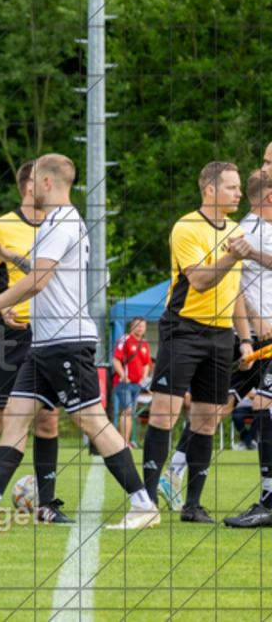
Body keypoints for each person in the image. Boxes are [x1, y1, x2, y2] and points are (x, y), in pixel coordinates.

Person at [0, 154, 159, 529]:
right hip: (44, 345)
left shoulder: (59, 223)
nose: (30, 189)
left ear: (45, 183)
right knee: (14, 421)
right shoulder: (59, 223)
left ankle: (143, 504)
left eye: (34, 183)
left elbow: (39, 282)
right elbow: (42, 271)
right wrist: (9, 256)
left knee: (93, 422)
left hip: (65, 341)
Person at [140, 162, 255, 523]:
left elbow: (234, 291)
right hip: (183, 331)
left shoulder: (235, 230)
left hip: (222, 338)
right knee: (164, 415)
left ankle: (192, 506)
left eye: (239, 188)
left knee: (206, 420)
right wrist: (231, 255)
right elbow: (201, 281)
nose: (239, 194)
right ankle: (146, 504)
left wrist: (246, 340)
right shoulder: (186, 227)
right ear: (210, 190)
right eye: (232, 188)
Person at [0, 160, 69, 523]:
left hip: (51, 333)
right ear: (32, 186)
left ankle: (46, 504)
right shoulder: (1, 226)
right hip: (11, 333)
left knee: (48, 420)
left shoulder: (63, 225)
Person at [225, 170, 272, 527]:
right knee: (220, 404)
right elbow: (234, 285)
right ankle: (174, 475)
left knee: (261, 403)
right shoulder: (245, 230)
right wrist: (254, 324)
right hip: (255, 339)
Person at [111, 317, 153, 448]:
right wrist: (123, 375)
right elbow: (115, 360)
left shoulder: (144, 344)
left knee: (131, 413)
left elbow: (147, 364)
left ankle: (126, 441)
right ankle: (122, 441)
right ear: (132, 327)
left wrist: (143, 379)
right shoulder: (125, 340)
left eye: (142, 326)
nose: (140, 328)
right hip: (124, 383)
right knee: (127, 410)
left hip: (137, 384)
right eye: (137, 326)